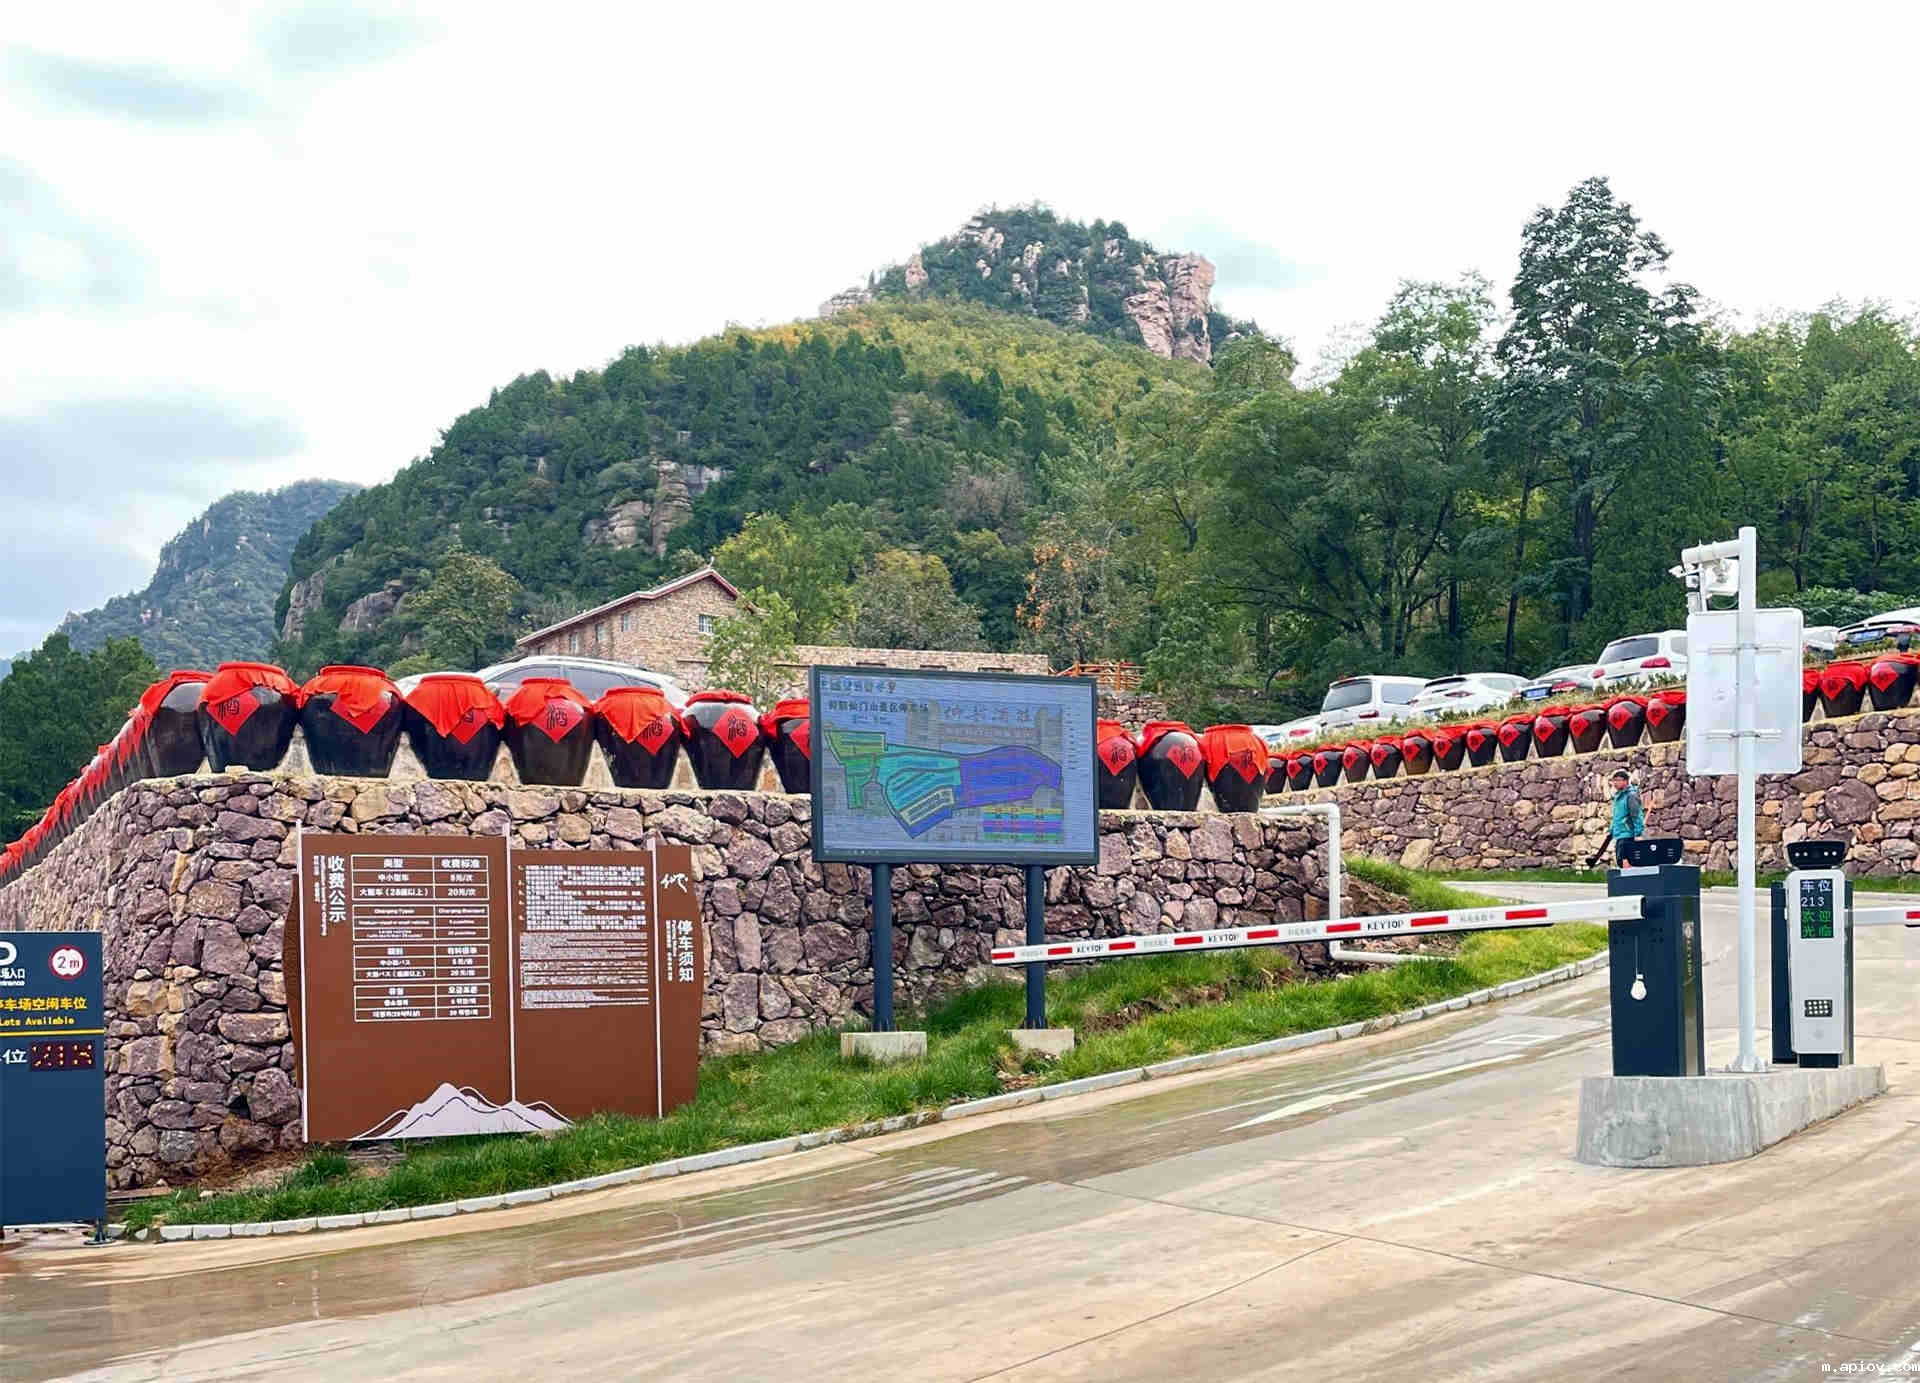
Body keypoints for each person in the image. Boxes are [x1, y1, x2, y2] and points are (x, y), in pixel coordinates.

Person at [1605, 768, 1646, 866]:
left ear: (1626, 781)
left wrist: (1638, 834)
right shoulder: (1619, 796)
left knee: (1626, 864)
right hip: (1620, 835)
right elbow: (1617, 816)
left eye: (1618, 780)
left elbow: (1636, 815)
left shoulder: (1631, 796)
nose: (1615, 783)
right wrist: (1612, 830)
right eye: (1614, 780)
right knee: (1620, 862)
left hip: (1628, 836)